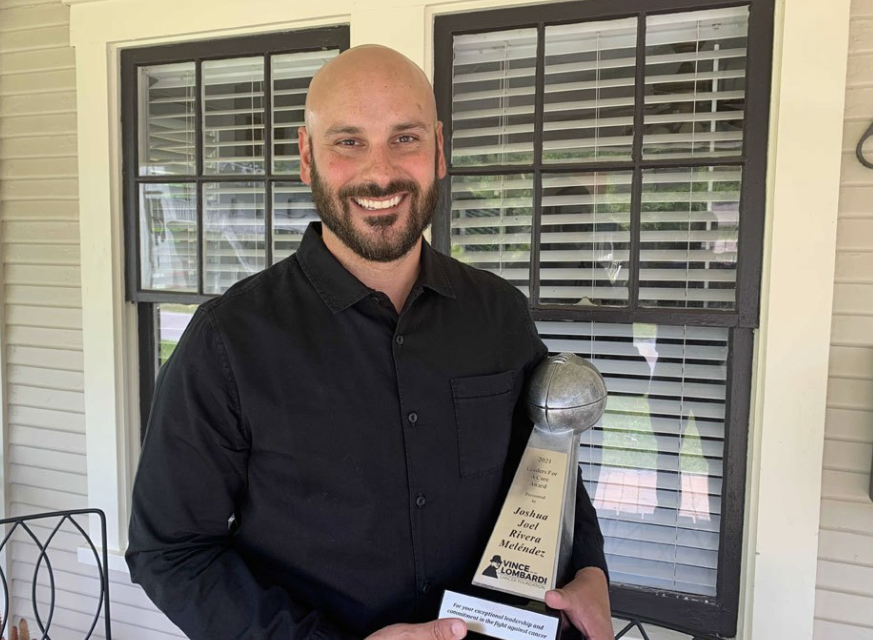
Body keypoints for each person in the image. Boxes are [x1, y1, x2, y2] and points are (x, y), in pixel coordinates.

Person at [126, 45, 614, 640]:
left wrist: (588, 563)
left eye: (404, 138)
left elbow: (547, 459)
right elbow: (171, 552)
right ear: (307, 157)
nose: (380, 173)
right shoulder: (228, 341)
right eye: (348, 141)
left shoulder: (498, 315)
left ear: (439, 149)